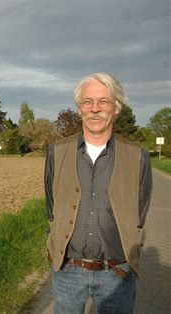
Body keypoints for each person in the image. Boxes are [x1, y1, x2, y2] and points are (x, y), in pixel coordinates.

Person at [44, 72, 152, 313]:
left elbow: (140, 212)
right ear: (79, 108)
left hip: (117, 272)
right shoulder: (56, 152)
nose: (95, 109)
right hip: (68, 270)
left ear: (116, 107)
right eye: (87, 102)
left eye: (103, 101)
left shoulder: (137, 156)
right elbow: (51, 206)